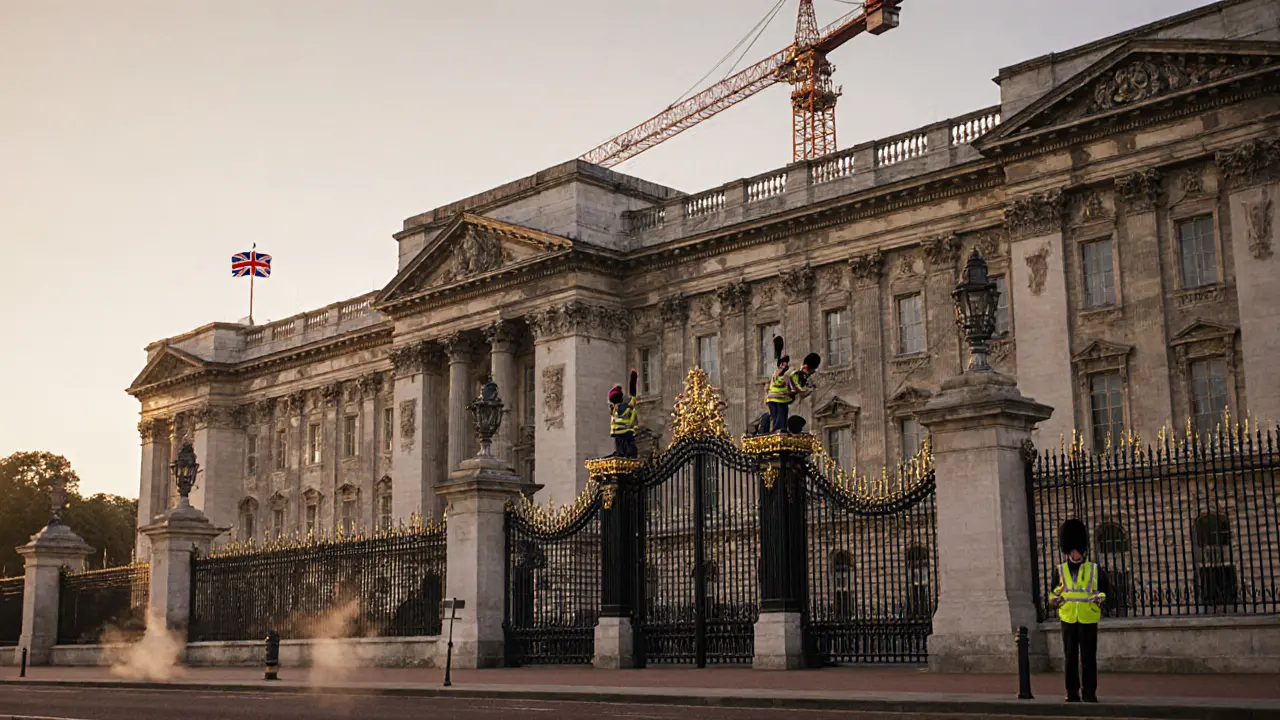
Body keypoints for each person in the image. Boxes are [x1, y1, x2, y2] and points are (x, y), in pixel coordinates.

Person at [1048, 518, 1108, 703]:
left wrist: (1101, 598)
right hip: (1068, 617)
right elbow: (1051, 594)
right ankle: (1072, 691)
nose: (1075, 553)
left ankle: (1089, 691)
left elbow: (1106, 590)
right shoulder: (1059, 571)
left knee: (1088, 658)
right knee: (1070, 657)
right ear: (1067, 550)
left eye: (1078, 549)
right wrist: (1054, 601)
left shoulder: (1094, 569)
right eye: (1072, 550)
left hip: (1088, 617)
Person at [764, 338, 819, 433]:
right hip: (779, 398)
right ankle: (778, 430)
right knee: (781, 417)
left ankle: (779, 429)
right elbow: (797, 388)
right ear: (805, 367)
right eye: (809, 372)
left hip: (773, 398)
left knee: (780, 416)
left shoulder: (787, 372)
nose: (808, 375)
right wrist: (807, 389)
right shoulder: (796, 373)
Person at [608, 370, 640, 458]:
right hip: (628, 432)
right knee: (630, 448)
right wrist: (633, 379)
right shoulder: (627, 406)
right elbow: (633, 395)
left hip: (617, 434)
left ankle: (621, 454)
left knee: (620, 450)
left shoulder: (613, 409)